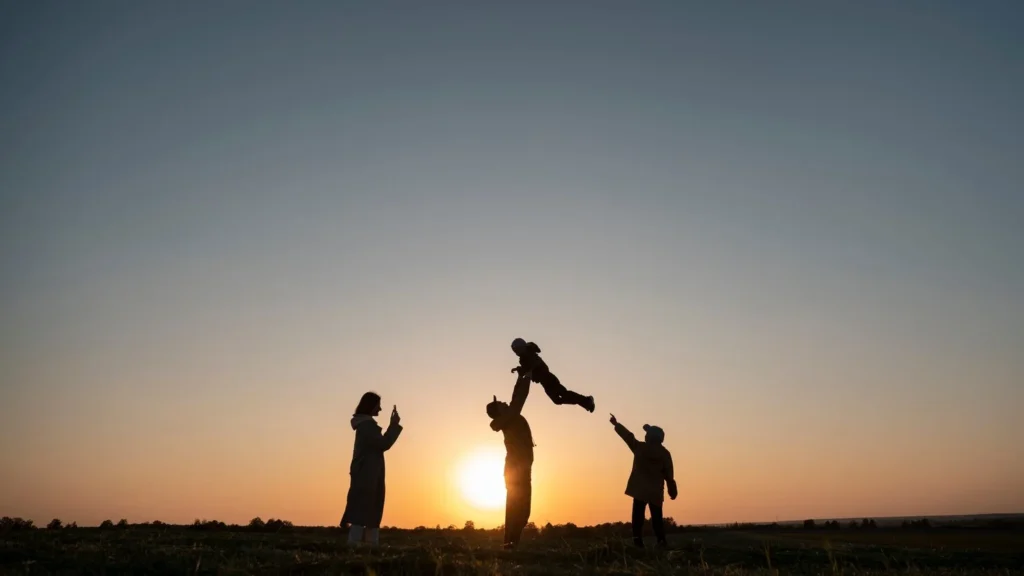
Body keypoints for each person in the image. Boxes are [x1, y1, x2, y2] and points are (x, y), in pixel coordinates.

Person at [340, 392, 403, 547]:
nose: (380, 409)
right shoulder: (367, 426)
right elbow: (384, 444)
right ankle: (358, 544)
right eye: (378, 405)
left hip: (368, 473)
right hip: (367, 474)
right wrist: (393, 425)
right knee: (365, 509)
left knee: (369, 508)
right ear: (371, 406)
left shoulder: (366, 425)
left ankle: (368, 545)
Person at [609, 413, 677, 548]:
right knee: (657, 519)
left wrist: (616, 424)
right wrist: (672, 490)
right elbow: (669, 475)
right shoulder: (664, 454)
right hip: (655, 491)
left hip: (640, 490)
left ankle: (638, 542)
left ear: (649, 437)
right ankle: (661, 541)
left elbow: (628, 437)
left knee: (637, 518)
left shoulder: (640, 448)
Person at [487, 374, 535, 549]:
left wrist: (521, 377)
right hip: (517, 469)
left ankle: (511, 543)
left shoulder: (509, 416)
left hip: (518, 468)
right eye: (500, 403)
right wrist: (527, 375)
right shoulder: (510, 416)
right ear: (499, 411)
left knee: (516, 507)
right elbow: (519, 398)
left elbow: (515, 398)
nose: (503, 402)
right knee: (520, 508)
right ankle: (511, 543)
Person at [509, 338, 595, 413]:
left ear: (522, 348)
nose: (517, 353)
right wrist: (520, 369)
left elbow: (534, 365)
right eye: (515, 351)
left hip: (549, 379)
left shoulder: (530, 354)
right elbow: (528, 368)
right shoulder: (525, 358)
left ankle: (587, 401)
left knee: (563, 394)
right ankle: (586, 402)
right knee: (558, 399)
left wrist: (524, 370)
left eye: (517, 350)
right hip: (545, 382)